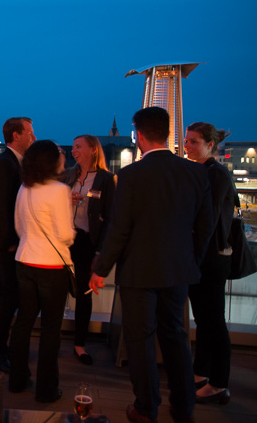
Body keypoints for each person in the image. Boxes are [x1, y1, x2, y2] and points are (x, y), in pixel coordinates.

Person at [89, 107, 212, 423]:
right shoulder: (197, 173)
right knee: (176, 336)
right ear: (168, 133)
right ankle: (183, 407)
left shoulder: (130, 175)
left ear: (139, 136)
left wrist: (100, 270)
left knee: (141, 340)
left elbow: (119, 228)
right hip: (178, 270)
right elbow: (206, 227)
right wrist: (191, 261)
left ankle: (146, 407)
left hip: (138, 271)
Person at [9, 140, 74, 403]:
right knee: (50, 328)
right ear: (50, 161)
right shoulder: (60, 190)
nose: (63, 157)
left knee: (23, 322)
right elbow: (66, 235)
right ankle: (46, 390)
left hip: (24, 261)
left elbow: (18, 227)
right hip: (51, 266)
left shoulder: (24, 188)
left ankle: (17, 380)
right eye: (60, 154)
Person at [184, 122, 235, 405]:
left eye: (193, 141)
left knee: (213, 321)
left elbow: (208, 219)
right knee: (204, 320)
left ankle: (219, 383)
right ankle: (200, 372)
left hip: (211, 258)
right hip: (202, 256)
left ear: (210, 145)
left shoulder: (215, 174)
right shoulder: (203, 171)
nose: (187, 146)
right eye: (186, 140)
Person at [0, 117, 35, 372]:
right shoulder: (6, 164)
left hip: (8, 242)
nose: (33, 138)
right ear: (16, 135)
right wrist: (9, 243)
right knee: (9, 295)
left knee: (5, 293)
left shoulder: (11, 162)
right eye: (30, 133)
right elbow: (0, 207)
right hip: (7, 243)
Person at [61, 135, 116, 365]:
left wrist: (100, 252)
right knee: (58, 290)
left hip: (86, 242)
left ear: (93, 150)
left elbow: (111, 218)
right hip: (64, 240)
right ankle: (52, 339)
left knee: (84, 294)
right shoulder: (68, 175)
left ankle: (80, 344)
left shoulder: (106, 179)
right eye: (73, 146)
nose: (73, 150)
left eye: (78, 146)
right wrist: (66, 200)